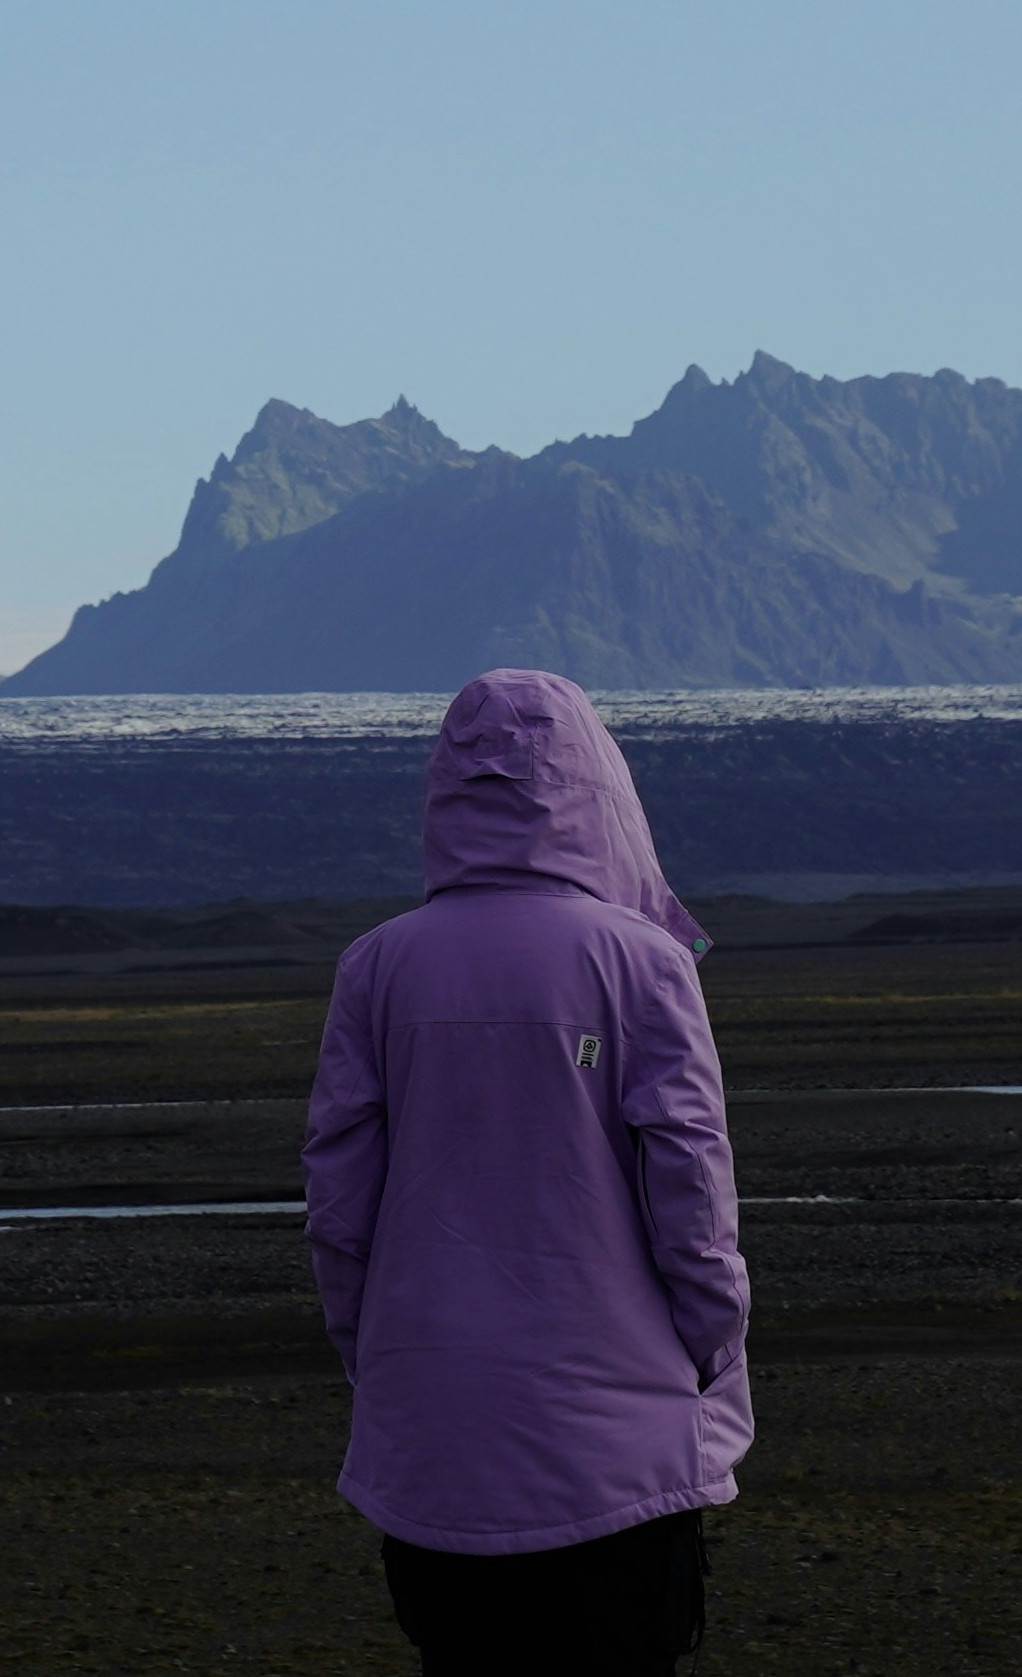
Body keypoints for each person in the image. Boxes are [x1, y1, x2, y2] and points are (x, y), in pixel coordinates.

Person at [305, 670, 750, 1677]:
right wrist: (709, 1354)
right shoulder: (644, 963)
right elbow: (691, 1192)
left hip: (434, 1445)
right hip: (618, 1451)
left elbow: (338, 1206)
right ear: (600, 785)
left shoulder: (375, 966)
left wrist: (386, 1362)